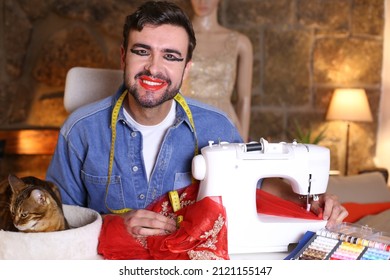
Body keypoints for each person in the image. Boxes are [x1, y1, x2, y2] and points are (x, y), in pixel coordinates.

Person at [46, 1, 347, 240]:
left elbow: (255, 184)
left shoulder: (216, 128)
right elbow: (57, 221)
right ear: (123, 57)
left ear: (187, 69)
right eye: (142, 51)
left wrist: (312, 201)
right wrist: (112, 225)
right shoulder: (80, 131)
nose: (154, 68)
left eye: (171, 57)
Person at [181, 0, 253, 141]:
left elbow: (244, 99)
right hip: (188, 118)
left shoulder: (240, 42)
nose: (202, 1)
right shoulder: (179, 37)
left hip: (226, 121)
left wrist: (243, 142)